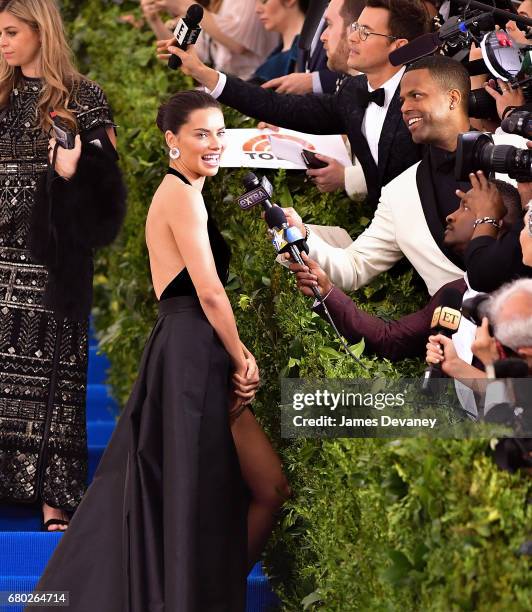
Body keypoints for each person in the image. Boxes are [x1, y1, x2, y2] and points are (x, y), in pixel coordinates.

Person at [31, 90, 289, 611]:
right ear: (172, 141)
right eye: (201, 134)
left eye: (219, 132)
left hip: (192, 349)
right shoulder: (179, 195)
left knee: (265, 487)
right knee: (228, 489)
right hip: (193, 351)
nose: (214, 144)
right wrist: (242, 358)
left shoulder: (187, 193)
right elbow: (210, 291)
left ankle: (199, 592)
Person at [0, 0, 125, 532]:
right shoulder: (0, 96)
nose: (1, 43)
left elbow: (108, 193)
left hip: (51, 258)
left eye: (10, 32)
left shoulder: (83, 96)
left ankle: (56, 497)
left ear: (39, 31)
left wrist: (72, 171)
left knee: (56, 376)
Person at [280, 56, 528, 297]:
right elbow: (355, 266)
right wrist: (303, 235)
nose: (405, 108)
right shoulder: (399, 192)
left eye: (416, 95)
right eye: (401, 100)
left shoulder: (515, 150)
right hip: (464, 334)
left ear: (453, 99)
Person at [158, 0, 429, 205]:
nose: (352, 37)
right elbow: (279, 107)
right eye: (355, 28)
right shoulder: (353, 92)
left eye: (366, 32)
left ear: (398, 45)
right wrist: (202, 72)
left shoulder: (424, 106)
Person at [291, 179, 522, 361]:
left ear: (492, 223)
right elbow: (388, 339)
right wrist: (328, 291)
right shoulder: (453, 293)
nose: (451, 216)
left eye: (466, 208)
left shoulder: (521, 305)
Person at [141, 0, 278, 81]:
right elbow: (180, 52)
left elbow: (238, 44)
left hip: (257, 89)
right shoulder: (212, 5)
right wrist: (154, 19)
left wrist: (185, 5)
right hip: (230, 90)